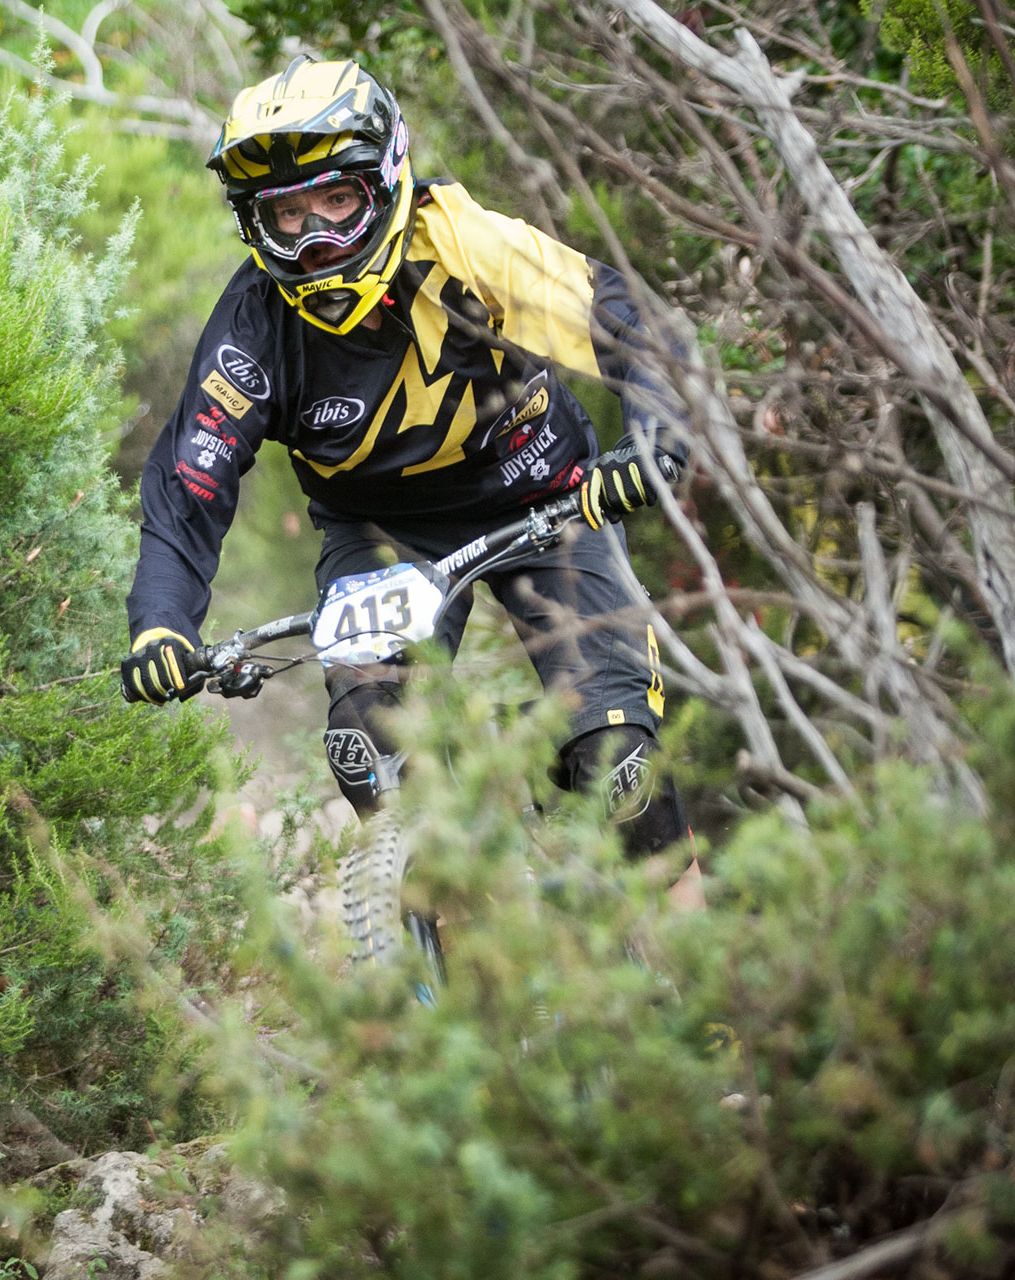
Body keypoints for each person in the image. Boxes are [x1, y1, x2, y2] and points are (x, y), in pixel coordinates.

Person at [119, 55, 701, 888]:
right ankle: (460, 962)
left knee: (621, 766)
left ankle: (707, 1014)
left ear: (385, 184)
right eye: (287, 214)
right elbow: (189, 484)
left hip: (542, 497)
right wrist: (161, 623)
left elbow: (631, 323)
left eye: (336, 202)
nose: (314, 239)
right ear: (255, 224)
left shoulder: (467, 244)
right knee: (374, 752)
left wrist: (654, 441)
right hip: (379, 535)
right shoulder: (253, 328)